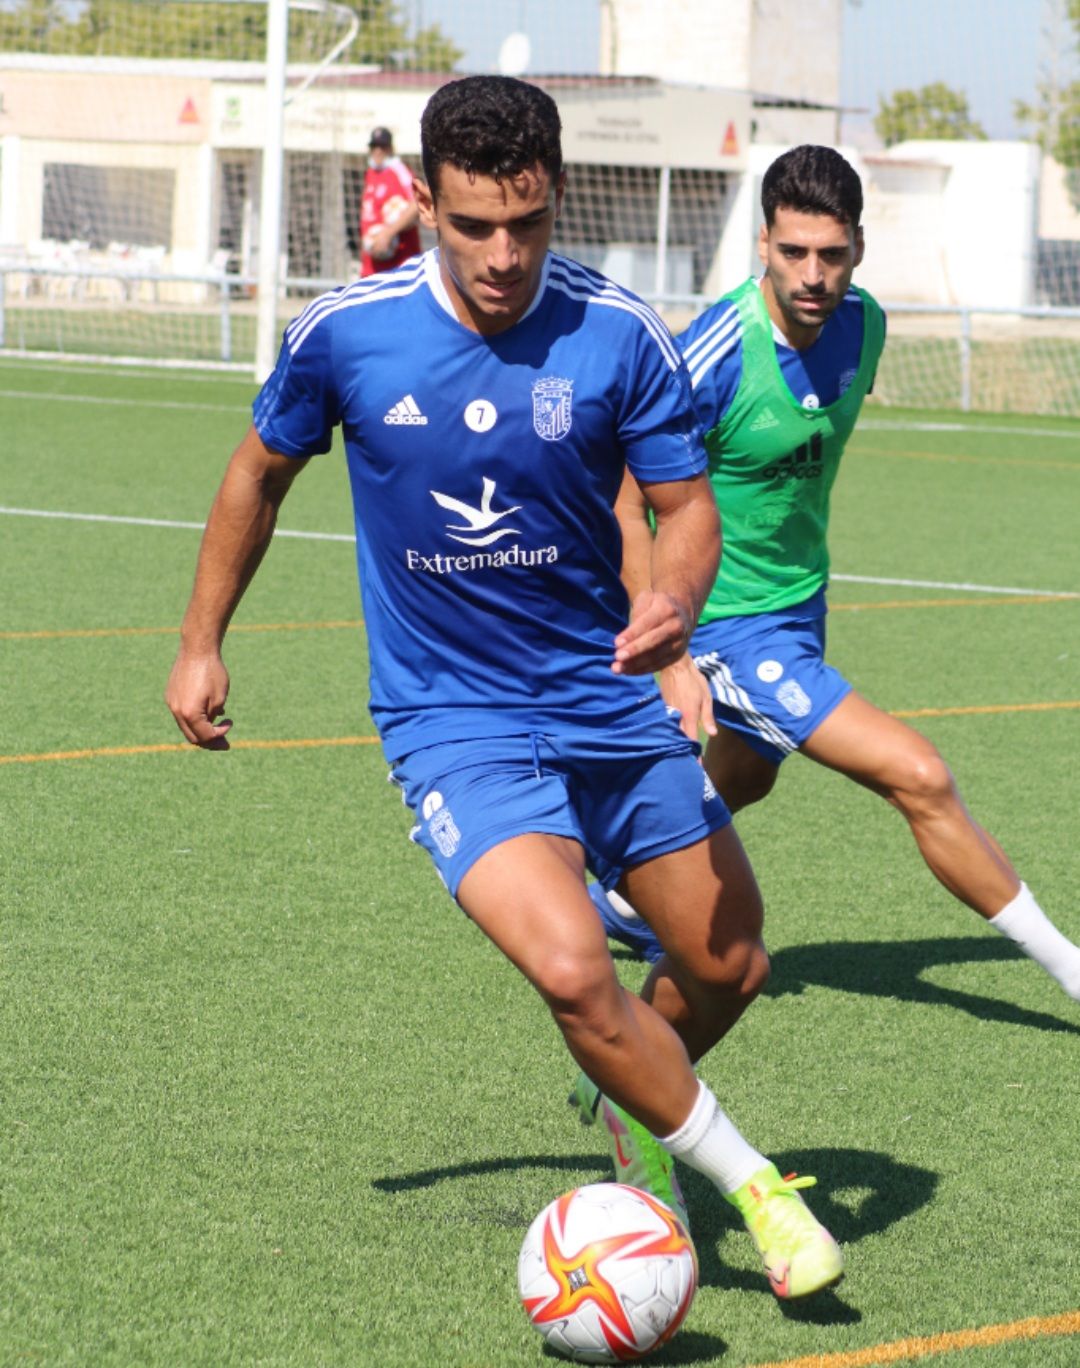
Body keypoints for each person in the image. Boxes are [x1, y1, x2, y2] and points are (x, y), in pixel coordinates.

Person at [165, 80, 845, 1302]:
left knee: (732, 961)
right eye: (472, 225)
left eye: (525, 225)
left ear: (557, 199)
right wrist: (200, 639)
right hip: (451, 718)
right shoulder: (349, 332)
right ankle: (752, 1185)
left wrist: (677, 608)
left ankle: (632, 1086)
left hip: (607, 697)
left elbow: (685, 511)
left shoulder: (618, 332)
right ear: (424, 201)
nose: (500, 255)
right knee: (578, 971)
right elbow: (256, 475)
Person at [591, 144, 1080, 1004]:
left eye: (832, 254)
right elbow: (625, 505)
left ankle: (620, 884)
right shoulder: (707, 358)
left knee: (750, 768)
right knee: (918, 775)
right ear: (763, 246)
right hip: (721, 621)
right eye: (793, 253)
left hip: (800, 599)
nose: (813, 275)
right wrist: (668, 644)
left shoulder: (867, 325)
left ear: (857, 247)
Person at [359, 125, 422, 276]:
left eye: (382, 146)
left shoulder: (399, 171)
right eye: (374, 146)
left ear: (391, 148)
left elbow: (417, 204)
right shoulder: (370, 174)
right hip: (372, 269)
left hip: (399, 268)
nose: (378, 151)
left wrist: (388, 233)